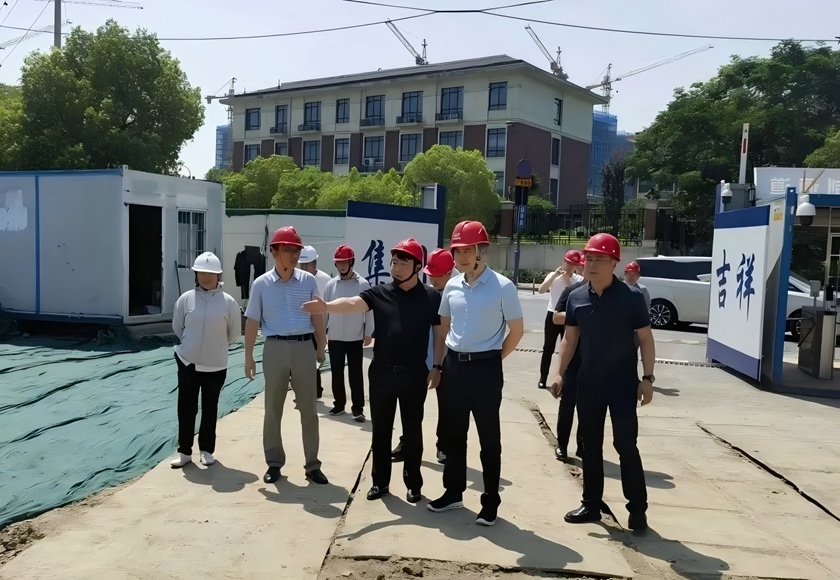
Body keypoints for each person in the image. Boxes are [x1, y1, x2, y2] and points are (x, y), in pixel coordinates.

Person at [303, 239, 443, 504]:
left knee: (413, 432)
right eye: (394, 262)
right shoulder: (380, 293)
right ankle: (380, 482)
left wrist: (437, 366)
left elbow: (439, 333)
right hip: (382, 374)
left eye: (403, 263)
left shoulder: (431, 297)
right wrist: (327, 307)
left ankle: (414, 483)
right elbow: (353, 303)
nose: (396, 268)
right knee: (380, 431)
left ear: (417, 266)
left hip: (415, 375)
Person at [549, 233, 656, 531]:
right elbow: (570, 339)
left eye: (600, 259)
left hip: (622, 384)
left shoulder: (631, 298)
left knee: (625, 444)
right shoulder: (576, 297)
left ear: (614, 264)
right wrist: (559, 372)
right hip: (589, 383)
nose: (592, 264)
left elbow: (646, 339)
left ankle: (637, 509)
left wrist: (647, 378)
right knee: (590, 445)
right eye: (590, 258)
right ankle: (591, 504)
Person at [428, 221, 524, 527]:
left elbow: (517, 331)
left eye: (468, 251)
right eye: (457, 251)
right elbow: (443, 329)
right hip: (454, 367)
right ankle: (453, 492)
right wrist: (438, 366)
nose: (462, 257)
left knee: (488, 438)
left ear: (483, 251)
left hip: (485, 369)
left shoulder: (502, 287)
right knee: (454, 435)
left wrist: (494, 358)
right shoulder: (452, 286)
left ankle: (490, 501)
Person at [244, 226, 329, 486]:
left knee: (309, 409)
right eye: (288, 250)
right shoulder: (261, 284)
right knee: (273, 408)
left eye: (296, 251)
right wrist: (248, 356)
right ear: (274, 251)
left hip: (303, 347)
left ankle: (312, 465)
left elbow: (316, 315)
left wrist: (321, 344)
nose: (294, 256)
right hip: (275, 347)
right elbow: (252, 320)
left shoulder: (308, 281)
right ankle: (274, 462)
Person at [170, 252, 242, 468]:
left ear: (218, 275)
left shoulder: (228, 302)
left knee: (210, 408)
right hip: (188, 362)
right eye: (201, 273)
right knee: (186, 407)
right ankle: (184, 451)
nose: (206, 277)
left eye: (211, 273)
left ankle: (206, 450)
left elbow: (233, 332)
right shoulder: (186, 299)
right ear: (195, 274)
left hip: (215, 365)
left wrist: (216, 346)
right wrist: (190, 346)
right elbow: (178, 327)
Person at [391, 247, 456, 464]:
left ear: (449, 272)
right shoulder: (425, 293)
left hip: (448, 360)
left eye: (437, 275)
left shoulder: (459, 293)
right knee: (412, 407)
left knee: (447, 405)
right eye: (430, 274)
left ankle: (444, 445)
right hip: (421, 359)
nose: (433, 279)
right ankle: (407, 442)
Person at [323, 244, 373, 422]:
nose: (342, 266)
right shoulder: (330, 285)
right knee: (336, 372)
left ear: (352, 262)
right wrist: (322, 333)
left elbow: (369, 310)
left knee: (355, 374)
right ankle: (339, 404)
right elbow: (325, 310)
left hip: (355, 337)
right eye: (338, 262)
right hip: (335, 337)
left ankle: (358, 408)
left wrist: (368, 332)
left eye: (345, 262)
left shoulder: (363, 284)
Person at [551, 275, 586, 462]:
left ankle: (583, 446)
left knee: (588, 406)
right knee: (568, 404)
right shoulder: (572, 292)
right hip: (573, 359)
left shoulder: (608, 294)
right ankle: (562, 445)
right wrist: (578, 314)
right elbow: (556, 317)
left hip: (594, 361)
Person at [537, 250, 583, 389]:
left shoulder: (578, 280)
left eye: (573, 264)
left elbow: (573, 293)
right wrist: (555, 276)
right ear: (564, 261)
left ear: (577, 266)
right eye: (568, 263)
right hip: (552, 314)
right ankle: (543, 377)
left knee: (568, 349)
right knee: (548, 348)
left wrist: (567, 279)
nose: (569, 266)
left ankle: (564, 378)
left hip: (567, 317)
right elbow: (541, 290)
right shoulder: (554, 276)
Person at [298, 245, 332, 398]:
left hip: (319, 328)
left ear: (315, 263)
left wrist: (324, 334)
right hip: (301, 327)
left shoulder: (326, 281)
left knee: (316, 361)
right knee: (299, 363)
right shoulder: (295, 279)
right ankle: (301, 391)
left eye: (307, 264)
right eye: (302, 265)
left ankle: (315, 390)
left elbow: (330, 307)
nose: (304, 268)